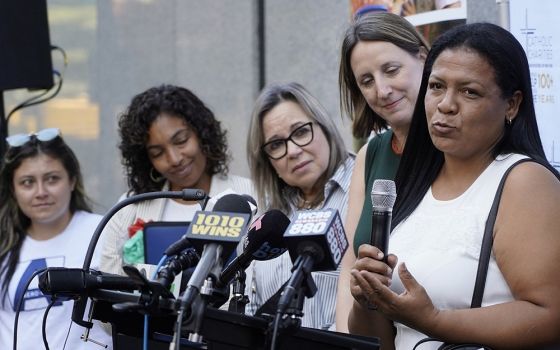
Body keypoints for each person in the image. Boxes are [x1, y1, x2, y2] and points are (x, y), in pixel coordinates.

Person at [348, 23, 560, 349]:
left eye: (469, 91)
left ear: (512, 104)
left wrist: (433, 320)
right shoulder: (414, 181)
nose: (445, 104)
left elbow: (550, 315)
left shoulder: (523, 181)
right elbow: (380, 339)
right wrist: (370, 297)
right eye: (436, 86)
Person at [335, 12, 429, 332]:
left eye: (391, 70)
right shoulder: (370, 154)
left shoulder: (457, 148)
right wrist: (345, 338)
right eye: (366, 81)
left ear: (422, 57)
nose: (382, 89)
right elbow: (350, 264)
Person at [100, 84, 254, 276]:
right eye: (157, 153)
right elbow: (109, 286)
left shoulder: (249, 193)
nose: (174, 159)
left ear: (202, 134)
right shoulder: (128, 208)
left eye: (181, 141)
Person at [245, 82, 355, 329]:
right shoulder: (267, 219)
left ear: (324, 126)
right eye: (275, 145)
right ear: (267, 161)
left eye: (301, 132)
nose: (293, 151)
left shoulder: (365, 187)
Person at [0, 128, 112, 349]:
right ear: (14, 190)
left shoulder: (104, 231)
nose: (41, 192)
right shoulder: (4, 245)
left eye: (52, 179)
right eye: (27, 182)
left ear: (72, 181)